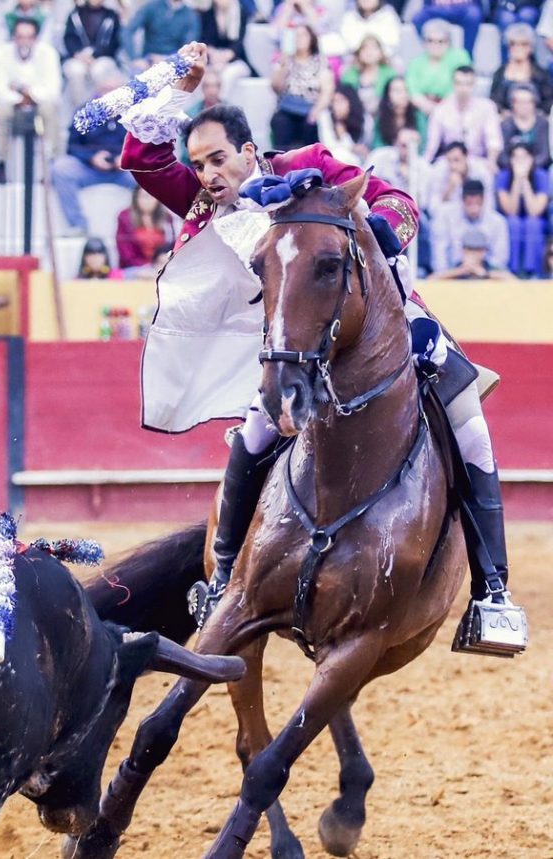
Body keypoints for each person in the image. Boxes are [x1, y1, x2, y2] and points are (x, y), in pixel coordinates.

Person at [119, 41, 523, 638]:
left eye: (218, 159)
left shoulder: (303, 163)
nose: (208, 175)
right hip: (292, 354)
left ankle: (493, 594)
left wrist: (376, 237)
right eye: (199, 164)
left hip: (377, 326)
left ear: (249, 151)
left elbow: (395, 200)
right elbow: (142, 157)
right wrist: (180, 85)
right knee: (254, 436)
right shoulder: (205, 206)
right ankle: (223, 579)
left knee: (468, 421)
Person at [52, 81, 135, 237]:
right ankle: (77, 225)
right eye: (106, 89)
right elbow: (72, 146)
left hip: (122, 170)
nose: (110, 94)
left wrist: (126, 157)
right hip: (89, 168)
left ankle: (142, 227)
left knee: (151, 172)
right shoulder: (85, 112)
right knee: (61, 168)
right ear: (97, 90)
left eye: (114, 90)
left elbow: (142, 145)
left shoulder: (134, 113)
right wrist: (91, 157)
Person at [0, 17, 62, 179]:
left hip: (39, 105)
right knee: (1, 109)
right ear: (13, 37)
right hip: (13, 106)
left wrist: (28, 93)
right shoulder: (2, 53)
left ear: (36, 38)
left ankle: (50, 165)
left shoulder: (48, 53)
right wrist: (20, 97)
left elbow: (53, 89)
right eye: (20, 36)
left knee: (50, 107)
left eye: (29, 37)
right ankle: (1, 164)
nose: (24, 41)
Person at [269, 23, 334, 150]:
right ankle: (282, 158)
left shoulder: (321, 62)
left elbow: (327, 92)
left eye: (303, 35)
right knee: (280, 122)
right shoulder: (285, 60)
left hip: (311, 108)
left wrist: (315, 111)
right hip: (287, 108)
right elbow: (275, 87)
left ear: (311, 38)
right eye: (296, 36)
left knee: (311, 125)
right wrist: (283, 65)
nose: (299, 39)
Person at [423, 66, 502, 169]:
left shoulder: (487, 108)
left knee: (486, 172)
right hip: (448, 161)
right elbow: (432, 145)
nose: (463, 89)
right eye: (459, 83)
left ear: (474, 85)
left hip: (476, 161)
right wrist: (425, 165)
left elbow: (493, 140)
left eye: (468, 84)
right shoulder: (440, 110)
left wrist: (492, 162)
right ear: (453, 84)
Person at [494, 140, 549, 276]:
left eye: (524, 157)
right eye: (516, 157)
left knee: (532, 223)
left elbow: (535, 211)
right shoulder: (504, 176)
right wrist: (517, 180)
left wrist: (525, 181)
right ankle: (513, 271)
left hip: (537, 222)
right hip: (512, 222)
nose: (520, 162)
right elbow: (511, 211)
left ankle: (533, 272)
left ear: (531, 159)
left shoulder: (541, 176)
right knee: (513, 223)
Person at [431, 178, 510, 271]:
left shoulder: (498, 222)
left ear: (484, 200)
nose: (474, 209)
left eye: (478, 203)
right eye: (469, 203)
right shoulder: (445, 218)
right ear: (462, 201)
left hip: (487, 273)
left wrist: (482, 270)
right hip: (453, 274)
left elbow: (500, 260)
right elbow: (439, 256)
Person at [62, 0, 123, 107]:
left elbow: (115, 42)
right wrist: (78, 54)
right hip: (79, 56)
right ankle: (80, 109)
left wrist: (95, 55)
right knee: (75, 70)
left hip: (103, 57)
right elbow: (69, 38)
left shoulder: (111, 15)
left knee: (99, 70)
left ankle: (101, 108)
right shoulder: (75, 14)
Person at [405, 19, 471, 118]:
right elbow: (413, 91)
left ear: (449, 42)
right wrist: (430, 109)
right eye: (430, 40)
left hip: (453, 110)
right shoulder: (416, 63)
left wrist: (441, 110)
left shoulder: (459, 57)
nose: (435, 45)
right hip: (421, 111)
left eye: (441, 41)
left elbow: (463, 84)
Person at [489, 24, 553, 114]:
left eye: (523, 44)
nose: (518, 48)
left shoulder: (540, 74)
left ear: (530, 48)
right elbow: (494, 101)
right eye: (513, 44)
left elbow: (547, 102)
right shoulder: (500, 73)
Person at [199, 0, 252, 102]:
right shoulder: (208, 14)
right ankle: (203, 106)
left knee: (227, 75)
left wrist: (226, 56)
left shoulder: (240, 13)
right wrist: (214, 54)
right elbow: (205, 40)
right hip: (212, 58)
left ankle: (221, 105)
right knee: (202, 74)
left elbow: (239, 42)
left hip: (235, 59)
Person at [123, 0, 200, 70]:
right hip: (148, 61)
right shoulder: (152, 6)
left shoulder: (190, 16)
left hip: (174, 64)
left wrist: (168, 59)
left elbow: (189, 46)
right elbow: (128, 31)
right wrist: (135, 58)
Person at [425, 140, 494, 214]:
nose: (453, 166)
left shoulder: (482, 172)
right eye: (449, 161)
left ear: (466, 156)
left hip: (477, 216)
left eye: (456, 160)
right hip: (450, 217)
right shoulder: (439, 170)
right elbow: (433, 209)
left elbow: (489, 205)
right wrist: (449, 189)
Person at [116, 186, 174, 271]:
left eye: (151, 196)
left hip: (161, 266)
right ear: (136, 198)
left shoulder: (167, 217)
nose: (147, 200)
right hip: (134, 267)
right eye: (144, 196)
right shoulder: (124, 217)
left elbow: (171, 245)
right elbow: (125, 251)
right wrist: (146, 268)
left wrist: (160, 264)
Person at [340, 35, 395, 119]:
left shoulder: (390, 73)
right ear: (359, 53)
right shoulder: (349, 75)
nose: (369, 52)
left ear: (381, 53)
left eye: (374, 48)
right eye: (365, 48)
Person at [428, 227, 515, 279]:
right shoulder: (455, 267)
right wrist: (460, 272)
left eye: (478, 249)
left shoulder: (491, 268)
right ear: (463, 250)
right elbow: (430, 281)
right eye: (470, 249)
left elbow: (514, 282)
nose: (473, 253)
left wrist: (485, 274)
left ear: (484, 251)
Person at [316, 83, 371, 165]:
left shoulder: (365, 119)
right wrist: (344, 136)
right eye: (334, 101)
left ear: (351, 101)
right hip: (333, 159)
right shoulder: (325, 116)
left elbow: (364, 148)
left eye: (341, 101)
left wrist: (350, 145)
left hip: (357, 161)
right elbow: (329, 145)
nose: (337, 105)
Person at [499, 83, 550, 168]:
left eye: (528, 102)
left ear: (534, 102)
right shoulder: (505, 125)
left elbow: (545, 154)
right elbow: (502, 155)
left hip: (537, 168)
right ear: (512, 103)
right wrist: (515, 166)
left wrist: (528, 167)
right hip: (510, 168)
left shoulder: (542, 124)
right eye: (519, 102)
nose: (523, 106)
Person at [412, 0, 484, 57]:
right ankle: (434, 54)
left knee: (473, 15)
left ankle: (466, 58)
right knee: (418, 18)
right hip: (438, 7)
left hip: (465, 6)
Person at [374, 76, 427, 148]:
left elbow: (425, 144)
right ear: (387, 95)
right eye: (397, 91)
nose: (403, 94)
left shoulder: (418, 117)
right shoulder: (381, 118)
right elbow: (376, 146)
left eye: (406, 90)